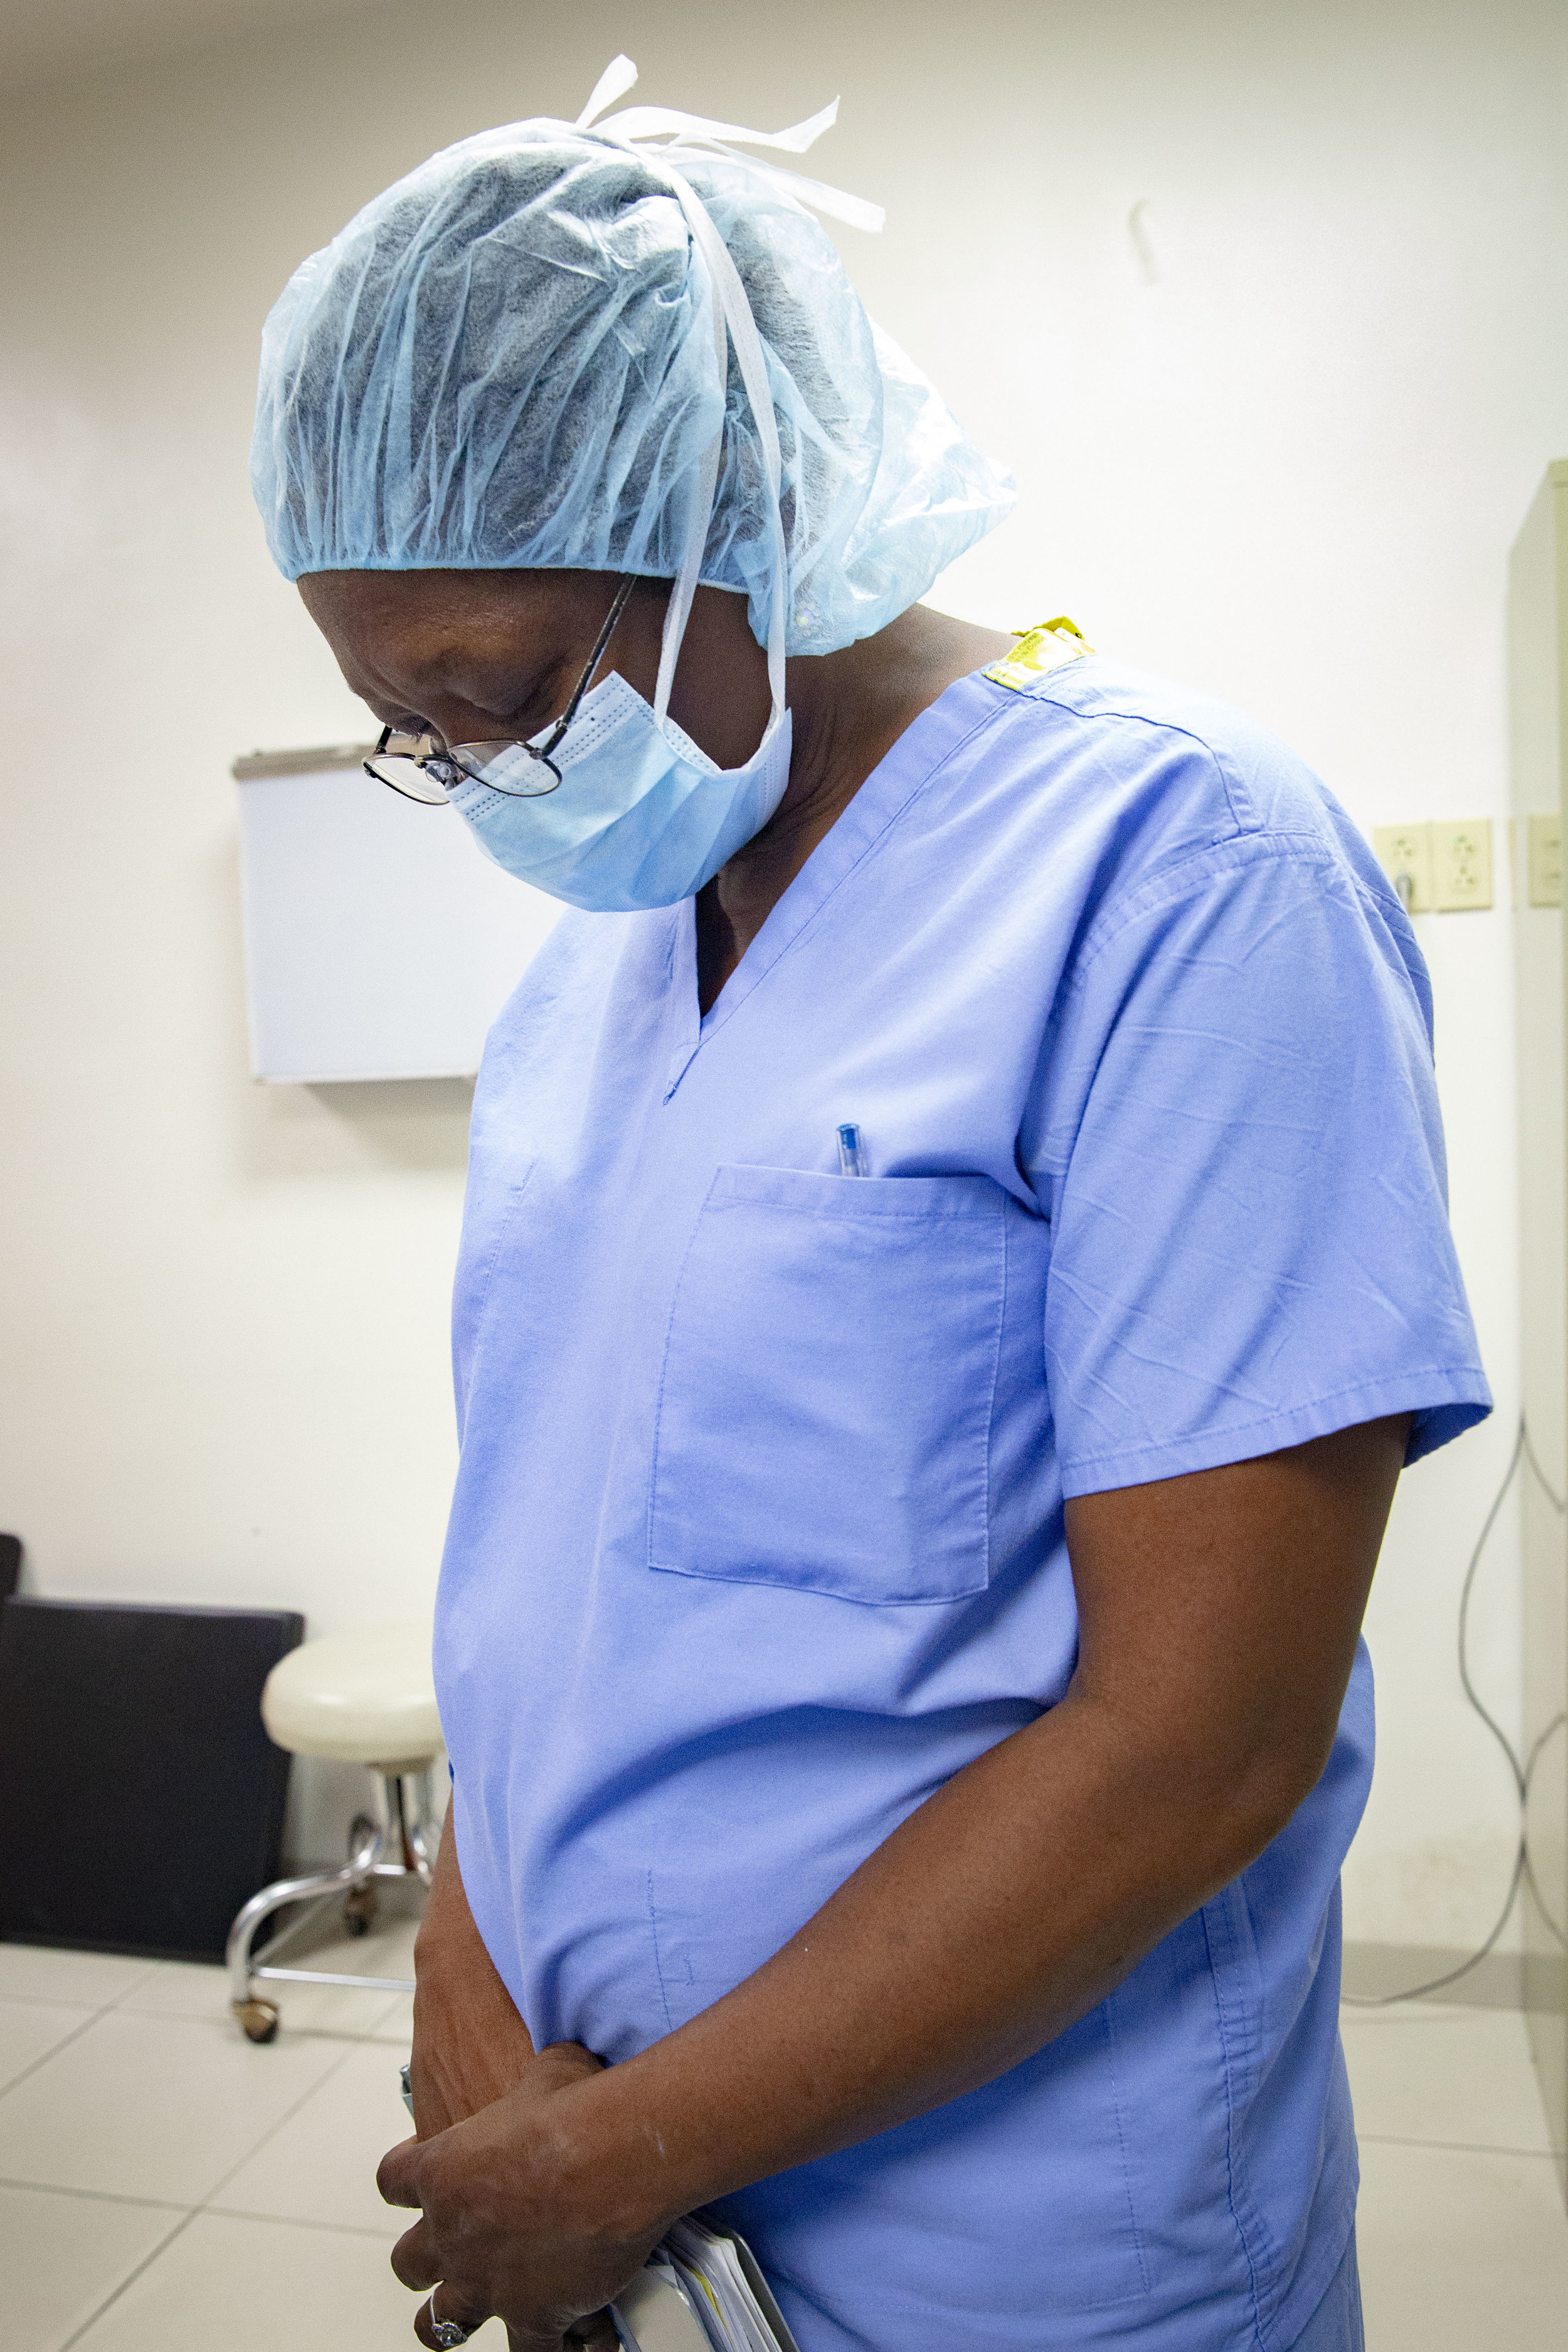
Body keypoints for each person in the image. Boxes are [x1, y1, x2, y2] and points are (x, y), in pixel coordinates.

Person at [251, 58, 1490, 2352]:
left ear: (729, 507)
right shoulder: (591, 978)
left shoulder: (1179, 874)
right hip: (612, 2197)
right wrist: (467, 1953)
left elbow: (1195, 1735)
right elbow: (548, 1545)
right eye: (408, 730)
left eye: (504, 696)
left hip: (1011, 2250)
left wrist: (632, 2142)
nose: (481, 782)